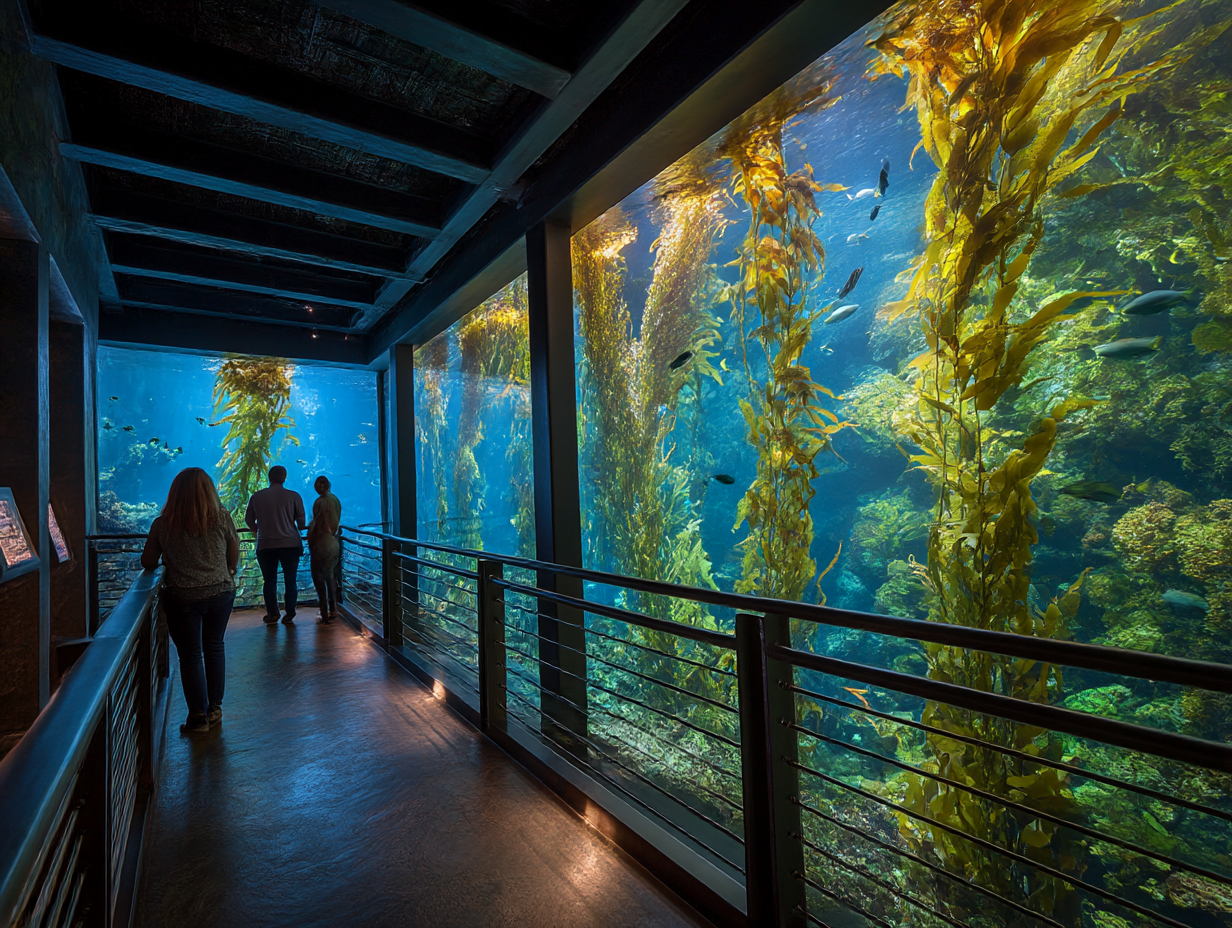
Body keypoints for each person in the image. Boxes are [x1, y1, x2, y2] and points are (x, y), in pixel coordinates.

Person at [141, 467, 239, 734]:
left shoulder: (162, 524)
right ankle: (215, 709)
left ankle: (197, 717)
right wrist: (229, 570)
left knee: (191, 655)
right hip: (221, 592)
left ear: (175, 493)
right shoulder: (222, 518)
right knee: (214, 647)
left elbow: (147, 561)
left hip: (182, 597)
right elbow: (234, 547)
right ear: (209, 491)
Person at [244, 465, 305, 625]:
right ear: (284, 478)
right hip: (290, 543)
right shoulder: (294, 496)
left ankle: (272, 613)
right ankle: (290, 612)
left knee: (269, 580)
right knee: (290, 580)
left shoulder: (257, 497)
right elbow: (301, 522)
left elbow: (249, 519)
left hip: (265, 544)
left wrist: (257, 531)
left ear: (269, 478)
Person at [306, 475, 342, 623]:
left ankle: (324, 612)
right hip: (334, 542)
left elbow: (317, 524)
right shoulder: (335, 500)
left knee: (318, 577)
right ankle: (333, 609)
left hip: (321, 543)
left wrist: (311, 541)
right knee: (330, 575)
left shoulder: (319, 502)